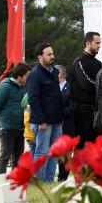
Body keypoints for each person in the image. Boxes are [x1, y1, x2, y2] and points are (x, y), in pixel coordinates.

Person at [27, 43, 63, 183]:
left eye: (52, 53)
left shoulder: (54, 72)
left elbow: (56, 96)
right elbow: (33, 99)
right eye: (49, 54)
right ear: (40, 57)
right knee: (42, 152)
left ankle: (48, 180)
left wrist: (60, 116)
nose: (52, 56)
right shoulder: (34, 75)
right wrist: (41, 120)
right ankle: (38, 181)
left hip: (56, 120)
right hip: (43, 121)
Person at [0, 62, 30, 174]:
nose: (28, 78)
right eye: (27, 76)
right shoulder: (5, 87)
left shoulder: (24, 88)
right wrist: (4, 119)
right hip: (7, 128)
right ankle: (0, 183)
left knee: (18, 158)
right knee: (5, 157)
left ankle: (16, 183)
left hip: (20, 127)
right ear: (19, 76)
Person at [69, 32, 102, 148]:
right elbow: (86, 84)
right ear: (88, 43)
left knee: (95, 148)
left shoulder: (99, 63)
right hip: (82, 112)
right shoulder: (79, 62)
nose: (99, 46)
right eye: (97, 43)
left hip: (97, 111)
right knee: (82, 147)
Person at [57, 65, 75, 181]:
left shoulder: (71, 88)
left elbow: (73, 105)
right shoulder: (51, 88)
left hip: (67, 124)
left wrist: (60, 114)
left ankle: (63, 176)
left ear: (61, 74)